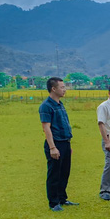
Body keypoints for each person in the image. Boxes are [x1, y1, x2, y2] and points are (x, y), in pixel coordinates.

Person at [39, 77, 77, 211]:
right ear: (53, 89)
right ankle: (53, 203)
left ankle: (62, 198)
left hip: (65, 142)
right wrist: (53, 147)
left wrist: (68, 145)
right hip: (55, 144)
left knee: (64, 172)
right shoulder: (46, 106)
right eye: (62, 87)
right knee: (54, 173)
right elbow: (46, 128)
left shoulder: (60, 104)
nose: (64, 89)